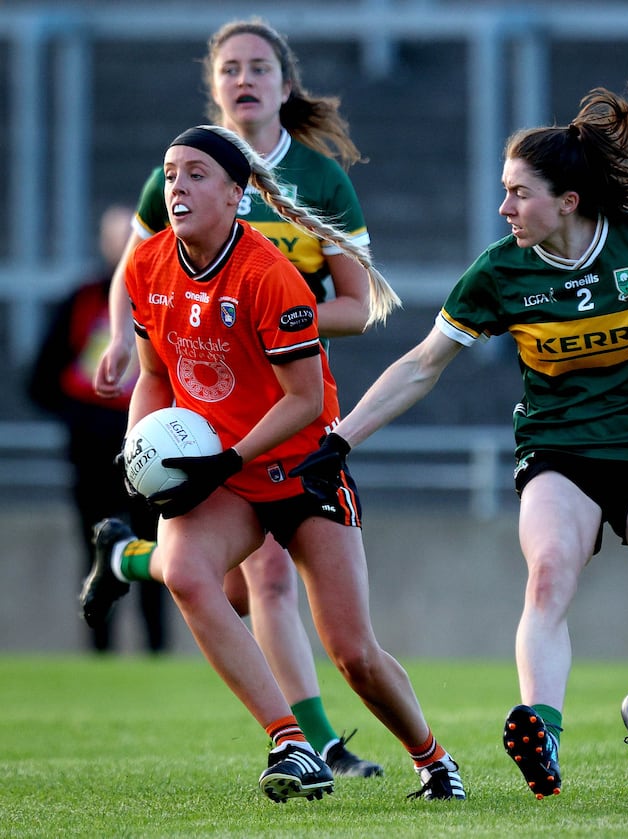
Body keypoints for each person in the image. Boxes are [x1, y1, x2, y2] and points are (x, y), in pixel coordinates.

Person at [290, 81, 628, 806]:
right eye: (503, 192)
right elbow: (421, 364)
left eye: (518, 193)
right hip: (560, 448)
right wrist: (339, 441)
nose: (503, 208)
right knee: (549, 571)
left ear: (568, 200)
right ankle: (542, 727)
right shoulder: (502, 271)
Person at [80, 124, 464, 803]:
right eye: (170, 173)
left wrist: (224, 457)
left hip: (301, 465)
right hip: (223, 473)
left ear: (236, 195)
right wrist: (138, 446)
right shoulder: (147, 266)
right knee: (192, 576)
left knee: (353, 654)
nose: (177, 187)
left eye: (197, 174)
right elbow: (153, 376)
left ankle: (433, 760)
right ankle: (291, 740)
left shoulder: (268, 275)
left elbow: (305, 400)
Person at [92, 18, 382, 776]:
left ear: (287, 86)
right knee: (263, 575)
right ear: (214, 84)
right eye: (229, 68)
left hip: (283, 397)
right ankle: (312, 741)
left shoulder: (320, 181)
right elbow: (137, 272)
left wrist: (270, 320)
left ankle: (125, 558)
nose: (243, 79)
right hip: (208, 409)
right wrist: (123, 340)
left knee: (227, 585)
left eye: (259, 67)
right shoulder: (184, 170)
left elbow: (359, 304)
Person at [28, 205, 167, 654]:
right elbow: (41, 378)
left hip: (152, 448)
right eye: (117, 235)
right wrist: (80, 417)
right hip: (92, 450)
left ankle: (156, 651)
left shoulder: (165, 293)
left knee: (157, 546)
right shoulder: (83, 299)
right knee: (96, 546)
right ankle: (99, 650)